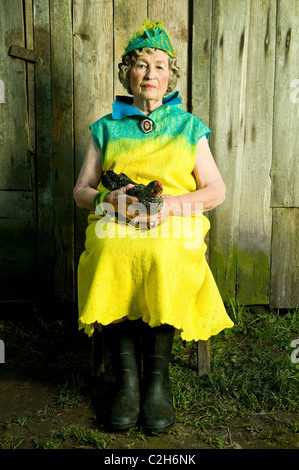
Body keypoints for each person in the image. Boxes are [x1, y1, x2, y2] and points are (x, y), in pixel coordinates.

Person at [73, 19, 234, 434]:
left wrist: (173, 207)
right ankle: (127, 381)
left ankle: (157, 382)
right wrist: (108, 199)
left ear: (170, 76)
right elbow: (80, 192)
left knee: (162, 253)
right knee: (113, 251)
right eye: (141, 65)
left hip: (174, 218)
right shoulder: (106, 127)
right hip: (117, 219)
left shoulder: (188, 127)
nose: (150, 75)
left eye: (159, 66)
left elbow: (215, 191)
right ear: (128, 72)